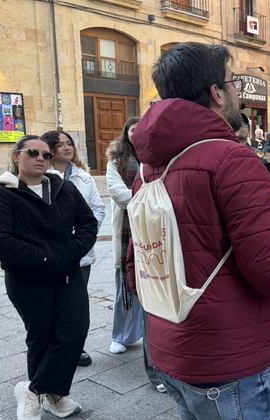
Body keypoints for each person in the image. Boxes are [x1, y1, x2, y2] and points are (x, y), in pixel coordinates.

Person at [125, 42, 270, 419]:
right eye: (234, 83)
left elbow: (135, 269)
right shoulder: (231, 159)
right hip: (231, 363)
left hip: (171, 350)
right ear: (216, 92)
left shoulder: (148, 170)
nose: (239, 94)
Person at [0, 135, 98, 419]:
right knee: (42, 336)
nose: (41, 158)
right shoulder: (3, 193)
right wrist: (44, 258)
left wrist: (71, 252)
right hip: (28, 279)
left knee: (74, 331)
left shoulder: (63, 187)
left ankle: (33, 389)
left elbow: (87, 223)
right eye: (33, 153)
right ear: (16, 157)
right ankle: (54, 395)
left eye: (46, 155)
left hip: (67, 273)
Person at [106, 117, 167, 393]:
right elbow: (118, 193)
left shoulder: (155, 155)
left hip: (153, 230)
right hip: (128, 229)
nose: (135, 132)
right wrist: (147, 201)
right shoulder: (116, 160)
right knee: (126, 288)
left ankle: (147, 341)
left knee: (152, 287)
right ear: (126, 132)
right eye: (131, 128)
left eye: (138, 128)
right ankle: (121, 334)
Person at [41, 129, 105, 368]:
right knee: (53, 302)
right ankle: (52, 345)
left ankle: (75, 346)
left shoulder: (83, 177)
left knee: (75, 303)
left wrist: (82, 237)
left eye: (69, 143)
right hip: (51, 253)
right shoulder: (40, 176)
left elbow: (97, 209)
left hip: (80, 253)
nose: (67, 148)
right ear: (50, 149)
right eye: (60, 144)